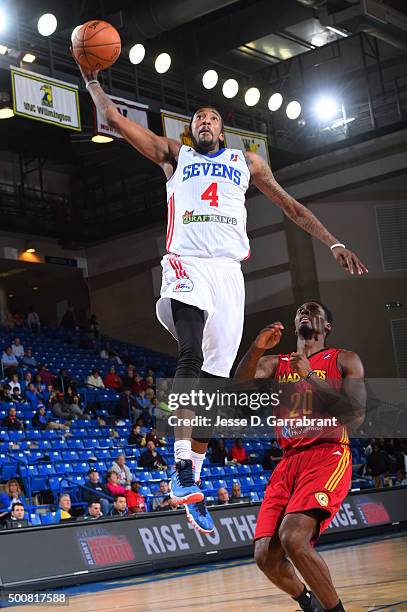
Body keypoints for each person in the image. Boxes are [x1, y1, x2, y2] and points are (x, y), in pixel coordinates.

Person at [75, 55, 368, 535]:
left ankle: (193, 483)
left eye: (212, 117)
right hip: (186, 264)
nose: (204, 122)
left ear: (223, 129)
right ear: (191, 131)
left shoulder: (246, 163)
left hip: (229, 275)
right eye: (197, 119)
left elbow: (291, 206)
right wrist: (91, 80)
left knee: (214, 389)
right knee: (188, 353)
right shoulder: (176, 155)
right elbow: (112, 119)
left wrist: (333, 241)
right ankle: (181, 467)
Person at [234, 301, 366, 612]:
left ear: (327, 326)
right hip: (288, 461)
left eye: (314, 310)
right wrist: (255, 348)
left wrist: (310, 376)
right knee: (265, 556)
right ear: (296, 325)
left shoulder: (344, 359)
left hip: (327, 454)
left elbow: (355, 417)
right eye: (301, 311)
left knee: (293, 537)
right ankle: (310, 605)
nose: (305, 312)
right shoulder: (276, 363)